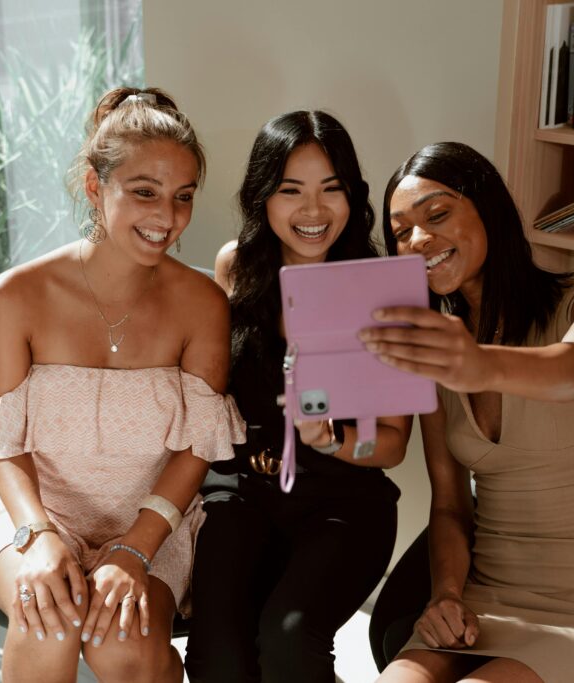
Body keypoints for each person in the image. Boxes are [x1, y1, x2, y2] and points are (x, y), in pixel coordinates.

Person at [0, 87, 244, 683]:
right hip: (32, 510)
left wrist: (135, 548)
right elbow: (3, 445)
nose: (167, 218)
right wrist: (36, 535)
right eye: (144, 192)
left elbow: (196, 449)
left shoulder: (204, 304)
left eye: (182, 198)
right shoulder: (14, 295)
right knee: (46, 621)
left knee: (122, 645)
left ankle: (158, 663)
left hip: (152, 516)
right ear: (93, 187)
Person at [362, 142, 574, 683]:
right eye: (401, 231)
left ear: (490, 210)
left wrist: (479, 365)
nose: (418, 240)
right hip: (485, 604)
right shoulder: (442, 353)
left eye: (437, 215)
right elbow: (451, 505)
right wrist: (445, 597)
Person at [184, 110, 413, 683]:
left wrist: (332, 440)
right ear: (264, 196)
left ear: (351, 195)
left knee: (287, 642)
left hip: (343, 502)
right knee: (219, 659)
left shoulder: (385, 288)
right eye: (292, 191)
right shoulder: (234, 266)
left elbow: (390, 448)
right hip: (241, 493)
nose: (313, 212)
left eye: (331, 190)